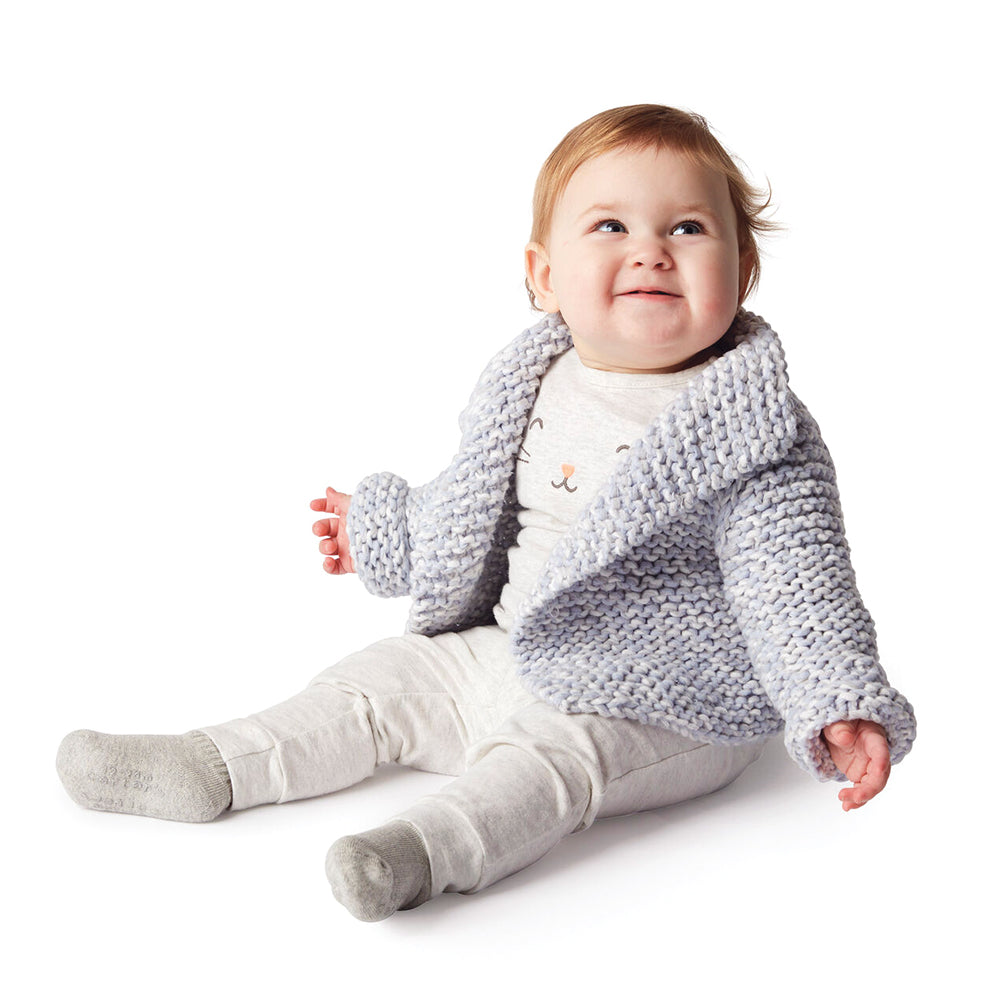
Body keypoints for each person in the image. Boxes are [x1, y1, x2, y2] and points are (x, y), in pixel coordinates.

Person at [57, 104, 916, 922]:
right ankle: (213, 764)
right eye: (611, 226)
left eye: (687, 228)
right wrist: (388, 529)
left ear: (743, 269)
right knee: (378, 680)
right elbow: (474, 508)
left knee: (553, 761)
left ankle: (420, 852)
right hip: (503, 648)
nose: (651, 253)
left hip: (667, 697)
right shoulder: (531, 379)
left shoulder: (753, 426)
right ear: (545, 276)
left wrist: (836, 698)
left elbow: (797, 585)